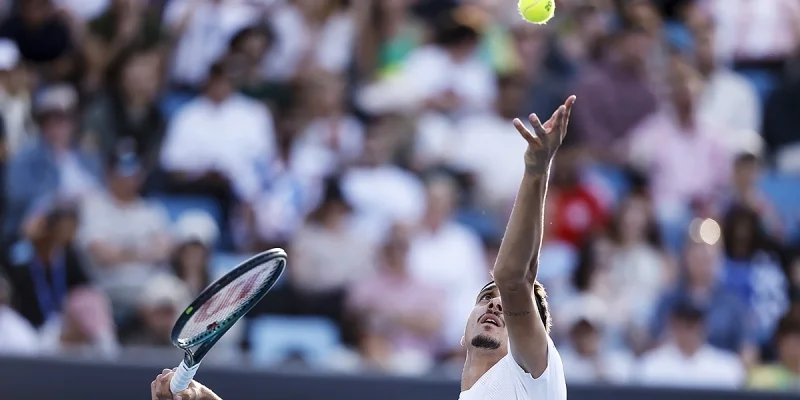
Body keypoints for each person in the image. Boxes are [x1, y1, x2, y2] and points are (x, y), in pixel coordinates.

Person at [149, 96, 576, 400]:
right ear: (462, 329)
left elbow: (517, 277)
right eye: (485, 297)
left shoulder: (534, 379)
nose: (497, 303)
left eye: (515, 308)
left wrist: (536, 170)